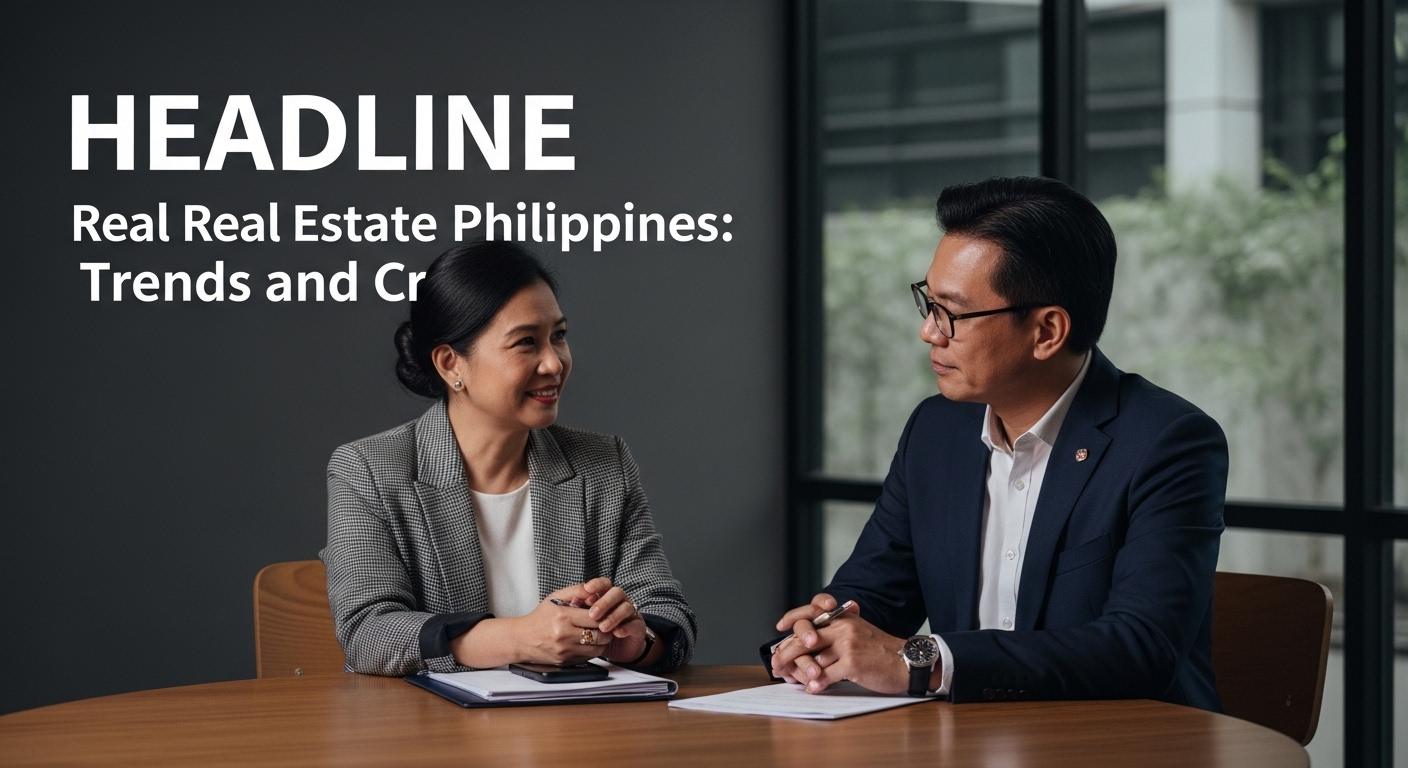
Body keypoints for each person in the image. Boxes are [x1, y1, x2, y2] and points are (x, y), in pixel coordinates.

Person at [769, 176, 1228, 709]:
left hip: (1121, 746)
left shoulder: (1166, 441)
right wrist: (820, 634)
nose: (930, 333)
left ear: (1047, 332)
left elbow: (1140, 646)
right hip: (966, 743)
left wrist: (923, 663)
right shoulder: (936, 432)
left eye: (954, 313)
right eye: (928, 303)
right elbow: (874, 596)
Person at [322, 241, 695, 676]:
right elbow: (368, 632)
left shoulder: (603, 464)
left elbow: (668, 611)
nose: (554, 363)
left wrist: (636, 642)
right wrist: (518, 637)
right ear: (450, 364)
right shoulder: (366, 470)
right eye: (526, 343)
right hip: (433, 735)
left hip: (581, 732)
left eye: (558, 336)